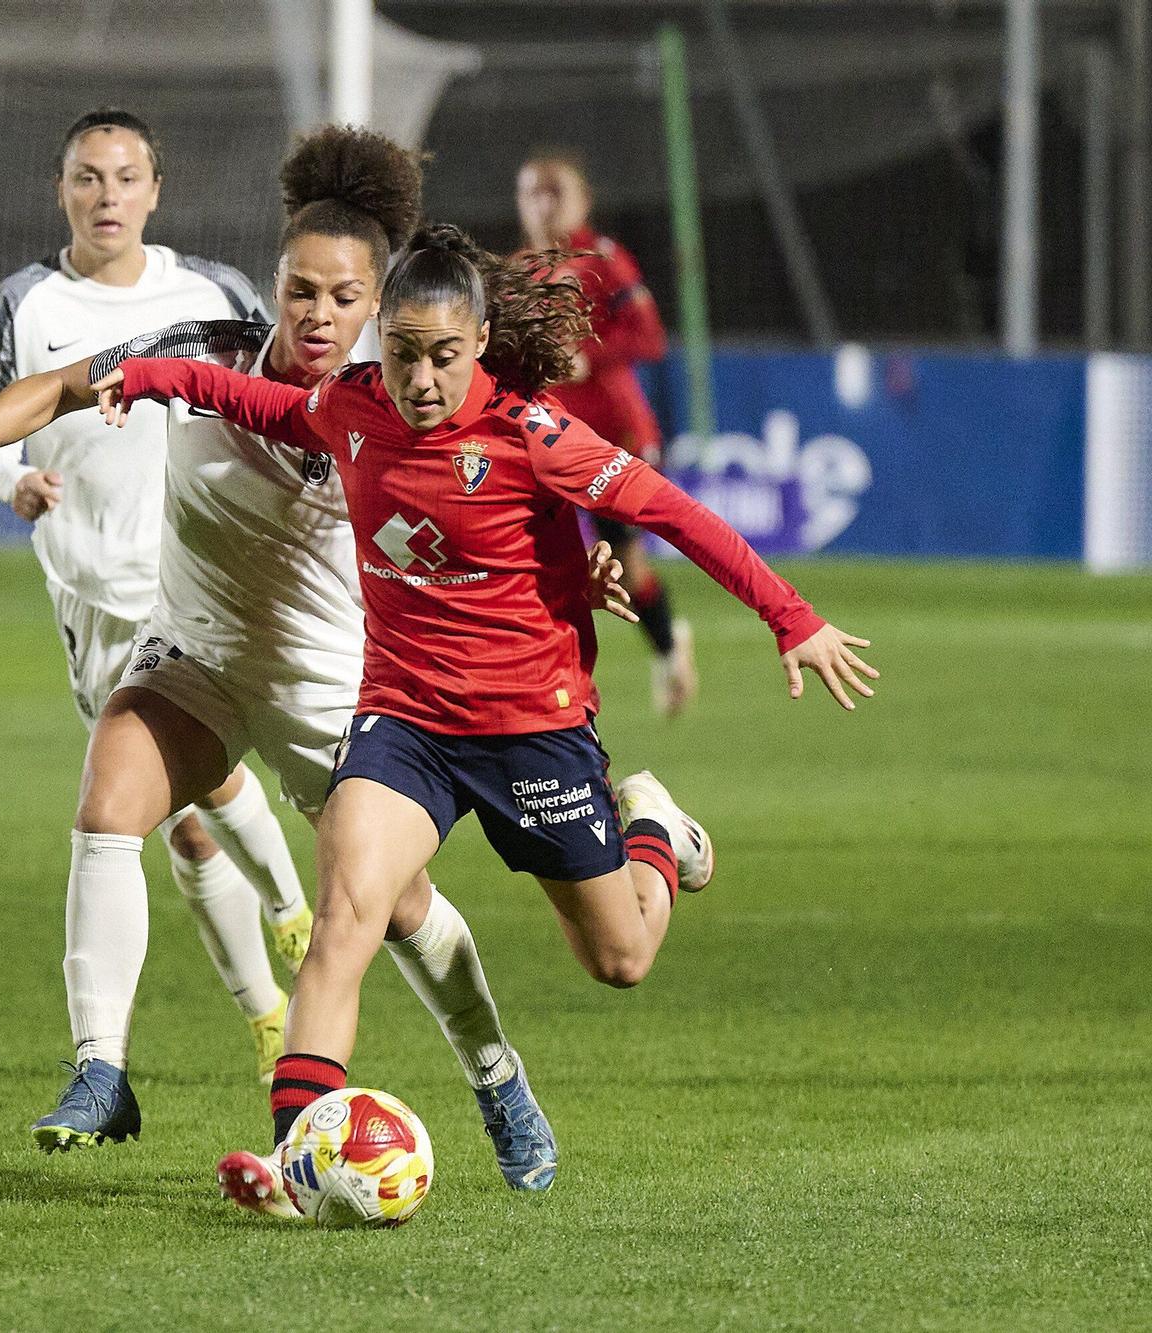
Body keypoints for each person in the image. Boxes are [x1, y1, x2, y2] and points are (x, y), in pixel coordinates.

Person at [92, 224, 879, 1216]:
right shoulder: (353, 405)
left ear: (475, 343)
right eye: (404, 352)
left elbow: (675, 513)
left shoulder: (532, 434)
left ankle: (653, 828)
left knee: (619, 959)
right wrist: (159, 376)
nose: (421, 379)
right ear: (382, 340)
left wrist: (789, 618)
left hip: (533, 736)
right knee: (343, 918)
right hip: (403, 725)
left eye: (443, 356)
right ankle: (301, 1163)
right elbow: (265, 404)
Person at [0, 132, 621, 1183]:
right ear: (274, 284)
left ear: (377, 304)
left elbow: (509, 502)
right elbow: (55, 387)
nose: (316, 316)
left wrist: (575, 577)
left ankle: (494, 1074)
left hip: (335, 691)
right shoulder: (205, 347)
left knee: (397, 909)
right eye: (299, 290)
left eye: (343, 297)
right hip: (193, 653)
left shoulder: (395, 406)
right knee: (109, 799)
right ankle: (101, 1069)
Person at [0, 106, 314, 1106]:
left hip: (197, 573)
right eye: (86, 178)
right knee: (185, 824)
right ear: (61, 190)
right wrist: (8, 485)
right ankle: (267, 1010)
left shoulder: (211, 294)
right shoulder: (26, 304)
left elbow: (277, 414)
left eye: (124, 178)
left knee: (196, 780)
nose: (106, 196)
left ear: (155, 191)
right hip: (88, 589)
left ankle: (290, 915)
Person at [517, 148, 696, 716]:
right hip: (543, 439)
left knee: (623, 567)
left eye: (557, 192)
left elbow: (651, 339)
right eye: (532, 193)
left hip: (612, 438)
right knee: (527, 559)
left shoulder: (605, 260)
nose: (544, 205)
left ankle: (669, 649)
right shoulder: (518, 271)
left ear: (583, 200)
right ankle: (537, 687)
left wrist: (587, 358)